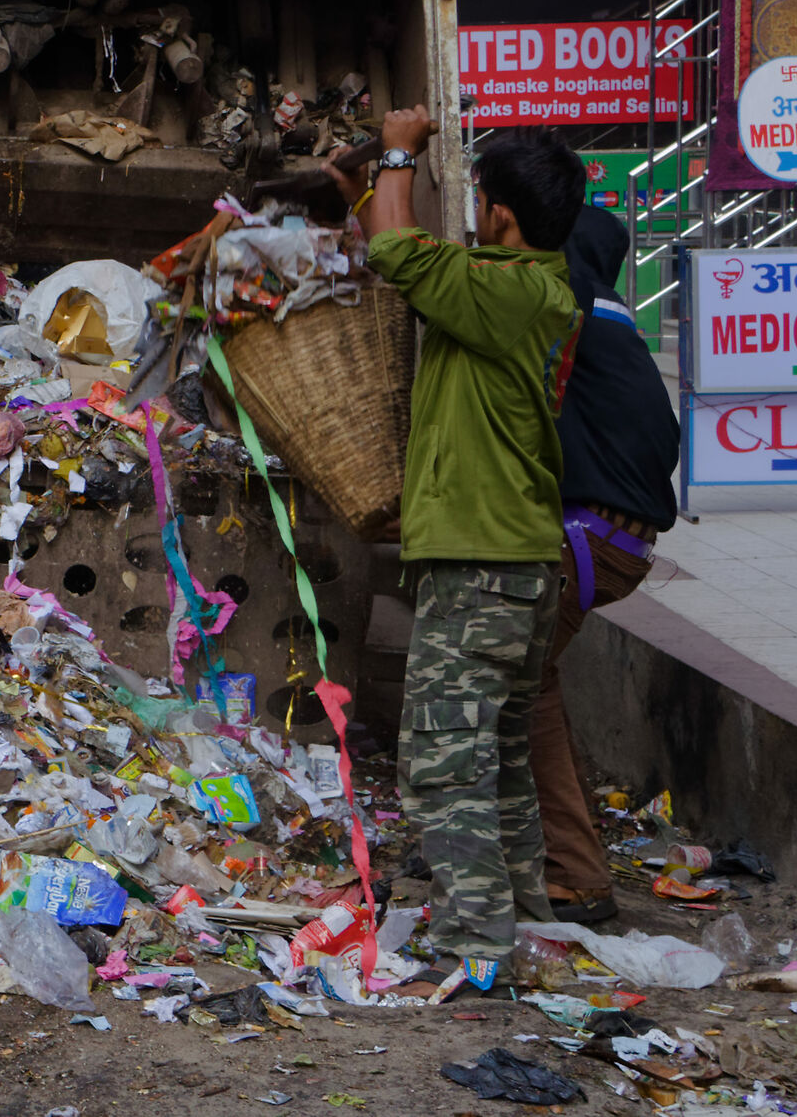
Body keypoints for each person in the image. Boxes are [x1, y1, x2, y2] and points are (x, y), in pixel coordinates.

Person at [329, 114, 583, 997]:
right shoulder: (533, 287)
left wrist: (401, 148)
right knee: (500, 757)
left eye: (476, 198)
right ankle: (526, 926)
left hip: (483, 566)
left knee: (444, 762)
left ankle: (476, 947)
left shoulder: (501, 290)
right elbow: (402, 247)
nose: (470, 211)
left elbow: (397, 250)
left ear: (501, 215)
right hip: (517, 563)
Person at [535, 204, 676, 926]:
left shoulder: (573, 310)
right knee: (532, 683)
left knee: (501, 679)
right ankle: (551, 854)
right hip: (620, 541)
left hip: (588, 539)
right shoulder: (616, 325)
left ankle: (577, 875)